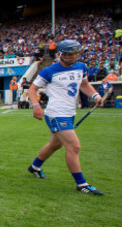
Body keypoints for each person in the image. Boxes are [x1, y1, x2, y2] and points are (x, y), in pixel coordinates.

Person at [27, 40, 104, 195]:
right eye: (69, 53)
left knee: (55, 144)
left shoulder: (81, 67)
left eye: (75, 53)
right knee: (74, 146)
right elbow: (32, 89)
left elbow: (83, 84)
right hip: (56, 113)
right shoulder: (49, 71)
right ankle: (81, 184)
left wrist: (95, 95)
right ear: (61, 54)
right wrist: (36, 106)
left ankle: (34, 167)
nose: (72, 56)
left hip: (70, 113)